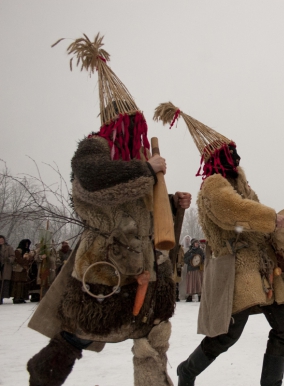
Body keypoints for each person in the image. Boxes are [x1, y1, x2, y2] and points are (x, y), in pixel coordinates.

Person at [27, 34, 192, 386]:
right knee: (83, 332)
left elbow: (153, 223)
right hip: (107, 266)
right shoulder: (94, 148)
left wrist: (173, 206)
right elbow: (92, 181)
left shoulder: (136, 160)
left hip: (147, 269)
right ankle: (43, 375)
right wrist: (147, 171)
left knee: (152, 336)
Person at [153, 102, 284, 386]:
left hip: (264, 268)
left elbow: (253, 208)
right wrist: (270, 218)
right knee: (226, 335)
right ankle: (187, 371)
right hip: (236, 268)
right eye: (231, 152)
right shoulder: (214, 186)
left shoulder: (240, 184)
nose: (237, 156)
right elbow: (237, 212)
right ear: (221, 158)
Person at [12, 239, 33, 304]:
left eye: (28, 244)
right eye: (25, 244)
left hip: (25, 269)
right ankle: (16, 298)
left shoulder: (27, 251)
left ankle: (22, 297)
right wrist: (24, 264)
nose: (27, 245)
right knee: (18, 284)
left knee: (23, 284)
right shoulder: (18, 251)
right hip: (18, 269)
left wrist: (27, 263)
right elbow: (18, 259)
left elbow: (30, 259)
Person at [0, 235, 15, 304]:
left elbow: (13, 256)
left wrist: (9, 259)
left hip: (5, 266)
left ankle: (1, 297)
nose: (1, 241)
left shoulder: (8, 248)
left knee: (3, 283)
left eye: (2, 240)